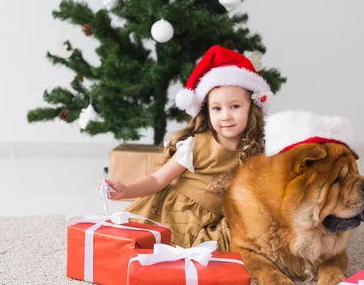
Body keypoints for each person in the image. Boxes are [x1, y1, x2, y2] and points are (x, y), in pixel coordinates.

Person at [103, 45, 273, 250]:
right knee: (153, 253)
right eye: (217, 108)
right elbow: (158, 179)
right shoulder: (197, 145)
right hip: (177, 214)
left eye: (235, 106)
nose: (226, 116)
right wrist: (126, 190)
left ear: (251, 108)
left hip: (214, 221)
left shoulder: (254, 149)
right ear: (207, 111)